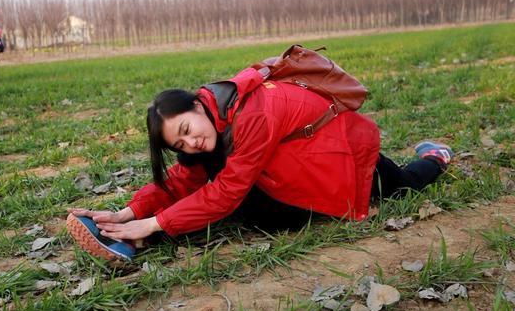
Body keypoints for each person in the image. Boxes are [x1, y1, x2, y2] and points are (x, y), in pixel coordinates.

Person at [67, 66, 453, 260]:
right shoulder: (217, 119)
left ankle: (436, 158)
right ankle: (126, 232)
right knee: (206, 179)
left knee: (401, 185)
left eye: (186, 128)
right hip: (294, 171)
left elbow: (227, 192)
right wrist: (126, 210)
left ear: (198, 105)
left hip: (341, 162)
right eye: (178, 141)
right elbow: (182, 178)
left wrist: (151, 222)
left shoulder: (252, 114)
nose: (190, 141)